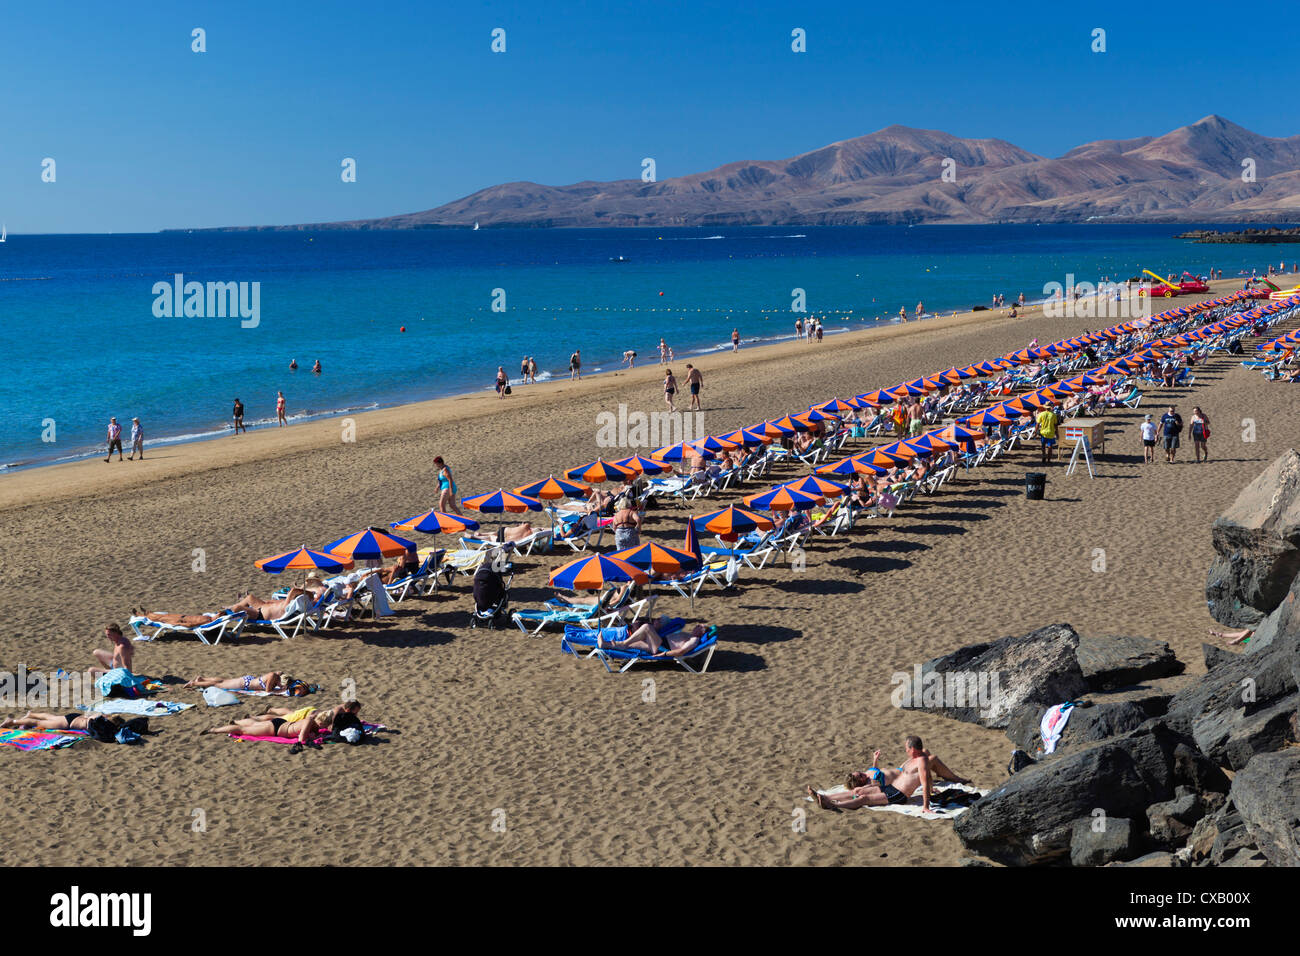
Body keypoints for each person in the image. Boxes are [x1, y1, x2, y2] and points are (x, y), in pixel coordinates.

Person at [806, 736, 971, 812]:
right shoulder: (917, 759)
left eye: (907, 748)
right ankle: (826, 797)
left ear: (912, 749)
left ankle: (833, 805)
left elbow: (925, 782)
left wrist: (926, 805)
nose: (905, 750)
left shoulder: (921, 762)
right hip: (891, 787)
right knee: (858, 792)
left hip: (898, 795)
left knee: (864, 799)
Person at [596, 617, 708, 658]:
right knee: (630, 645)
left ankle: (625, 642)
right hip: (659, 644)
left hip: (662, 648)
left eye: (699, 627)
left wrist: (663, 654)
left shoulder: (694, 640)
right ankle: (605, 645)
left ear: (701, 633)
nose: (696, 626)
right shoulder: (690, 635)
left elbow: (681, 651)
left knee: (647, 627)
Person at [185, 672, 285, 692]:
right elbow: (268, 690)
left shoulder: (276, 676)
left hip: (248, 680)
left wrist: (280, 684)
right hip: (245, 684)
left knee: (223, 680)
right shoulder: (273, 676)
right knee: (218, 684)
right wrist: (279, 688)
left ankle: (202, 679)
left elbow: (280, 673)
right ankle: (193, 683)